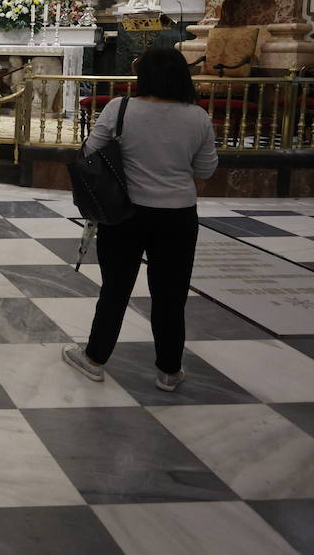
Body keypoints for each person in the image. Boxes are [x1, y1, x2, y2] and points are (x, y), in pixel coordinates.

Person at [63, 47, 219, 392]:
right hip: (178, 217)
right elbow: (206, 168)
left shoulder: (121, 109)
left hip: (125, 214)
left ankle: (94, 359)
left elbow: (89, 152)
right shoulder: (197, 117)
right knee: (171, 294)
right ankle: (169, 370)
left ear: (143, 77)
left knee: (115, 290)